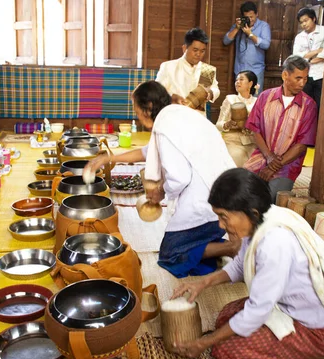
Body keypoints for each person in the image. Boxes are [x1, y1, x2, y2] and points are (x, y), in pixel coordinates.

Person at [170, 168, 324, 359]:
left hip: (320, 330)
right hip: (291, 307)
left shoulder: (274, 243)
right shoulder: (262, 217)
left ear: (251, 212)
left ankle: (315, 352)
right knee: (227, 315)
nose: (221, 225)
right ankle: (291, 345)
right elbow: (240, 265)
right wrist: (203, 283)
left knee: (226, 352)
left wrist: (203, 343)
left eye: (224, 217)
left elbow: (256, 312)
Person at [84, 81, 237, 278]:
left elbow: (179, 178)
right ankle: (214, 245)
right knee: (187, 247)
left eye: (136, 109)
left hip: (209, 202)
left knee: (170, 255)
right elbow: (147, 152)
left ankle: (233, 247)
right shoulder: (176, 115)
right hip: (229, 191)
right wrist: (109, 158)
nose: (136, 114)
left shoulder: (165, 127)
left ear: (147, 108)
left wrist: (160, 191)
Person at [243, 55, 317, 203]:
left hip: (287, 166)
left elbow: (302, 145)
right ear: (285, 75)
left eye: (305, 78)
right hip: (261, 157)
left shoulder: (309, 105)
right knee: (240, 190)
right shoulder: (265, 97)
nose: (302, 83)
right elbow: (255, 130)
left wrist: (273, 167)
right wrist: (268, 156)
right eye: (298, 78)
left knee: (270, 198)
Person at [156, 28, 220, 117]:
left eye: (202, 51)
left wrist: (210, 93)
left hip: (198, 119)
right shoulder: (168, 67)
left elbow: (215, 89)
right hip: (174, 117)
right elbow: (157, 92)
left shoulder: (207, 70)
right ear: (184, 48)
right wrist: (172, 98)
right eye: (195, 50)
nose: (198, 54)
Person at [223, 1, 271, 94]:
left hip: (256, 70)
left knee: (255, 100)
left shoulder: (263, 26)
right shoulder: (238, 26)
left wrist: (250, 34)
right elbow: (226, 41)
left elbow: (266, 44)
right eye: (246, 17)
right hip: (240, 70)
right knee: (240, 100)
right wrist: (237, 28)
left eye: (251, 17)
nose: (249, 19)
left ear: (257, 14)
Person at [216, 70, 258, 167]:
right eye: (236, 80)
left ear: (250, 84)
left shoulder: (258, 102)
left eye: (241, 79)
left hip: (252, 141)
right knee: (237, 156)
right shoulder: (230, 99)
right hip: (232, 140)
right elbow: (218, 124)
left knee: (258, 160)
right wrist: (227, 124)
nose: (237, 82)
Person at [293, 7, 324, 112]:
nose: (304, 24)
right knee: (305, 105)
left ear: (313, 18)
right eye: (301, 22)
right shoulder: (299, 37)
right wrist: (316, 51)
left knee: (320, 106)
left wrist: (308, 58)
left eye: (306, 20)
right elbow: (296, 56)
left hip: (321, 74)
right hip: (306, 75)